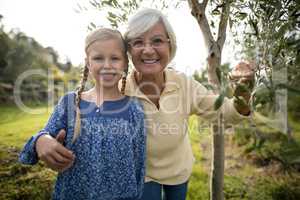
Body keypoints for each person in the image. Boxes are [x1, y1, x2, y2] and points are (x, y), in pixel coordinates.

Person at [31, 8, 254, 200]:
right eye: (138, 42)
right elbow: (81, 125)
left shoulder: (183, 84)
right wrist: (44, 141)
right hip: (141, 174)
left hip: (178, 168)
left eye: (157, 41)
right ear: (129, 53)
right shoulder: (117, 91)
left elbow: (223, 112)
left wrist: (242, 96)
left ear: (170, 46)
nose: (147, 50)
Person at [19, 28, 146, 200]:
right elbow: (35, 146)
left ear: (125, 63)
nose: (107, 65)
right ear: (88, 62)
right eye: (98, 58)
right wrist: (41, 141)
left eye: (115, 58)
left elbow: (139, 165)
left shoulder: (134, 110)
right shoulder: (70, 104)